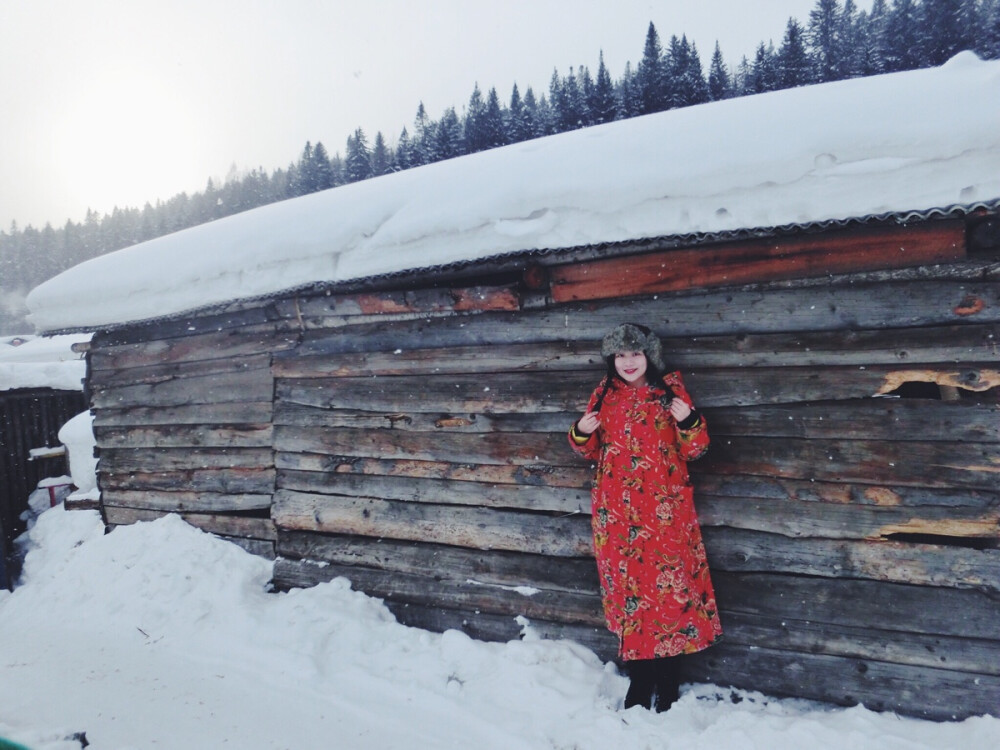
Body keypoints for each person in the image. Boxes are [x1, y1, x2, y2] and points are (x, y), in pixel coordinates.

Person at [568, 323, 722, 712]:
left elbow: (697, 448)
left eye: (635, 354)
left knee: (670, 594)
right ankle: (639, 680)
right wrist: (581, 433)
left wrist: (688, 420)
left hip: (665, 512)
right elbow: (586, 451)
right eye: (620, 355)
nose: (628, 362)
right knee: (630, 595)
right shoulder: (604, 395)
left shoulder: (667, 392)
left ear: (648, 357)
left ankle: (668, 682)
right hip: (616, 514)